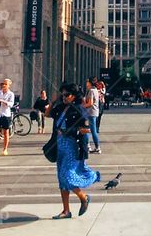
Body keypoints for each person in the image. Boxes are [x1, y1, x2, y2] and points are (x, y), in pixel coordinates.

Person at [52, 84, 101, 219]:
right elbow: (47, 113)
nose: (64, 97)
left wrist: (69, 131)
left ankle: (83, 197)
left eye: (67, 95)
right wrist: (54, 101)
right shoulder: (61, 108)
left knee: (66, 174)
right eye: (62, 94)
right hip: (60, 146)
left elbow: (87, 129)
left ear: (74, 96)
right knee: (61, 179)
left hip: (72, 146)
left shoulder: (79, 109)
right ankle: (66, 210)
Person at [83, 78, 102, 153]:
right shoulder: (95, 90)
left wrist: (83, 106)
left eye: (87, 81)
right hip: (94, 112)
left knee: (89, 130)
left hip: (90, 112)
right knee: (91, 130)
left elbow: (90, 103)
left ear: (90, 83)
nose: (86, 83)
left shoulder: (91, 91)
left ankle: (94, 147)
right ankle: (95, 146)